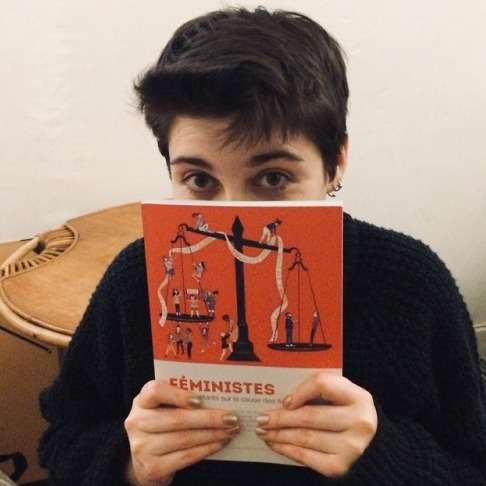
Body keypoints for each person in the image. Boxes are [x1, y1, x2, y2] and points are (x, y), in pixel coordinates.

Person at [38, 6, 486, 486]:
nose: (236, 219)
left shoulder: (411, 283)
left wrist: (381, 454)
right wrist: (129, 463)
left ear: (335, 163)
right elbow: (61, 440)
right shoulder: (139, 277)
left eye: (273, 178)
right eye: (199, 180)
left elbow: (472, 464)